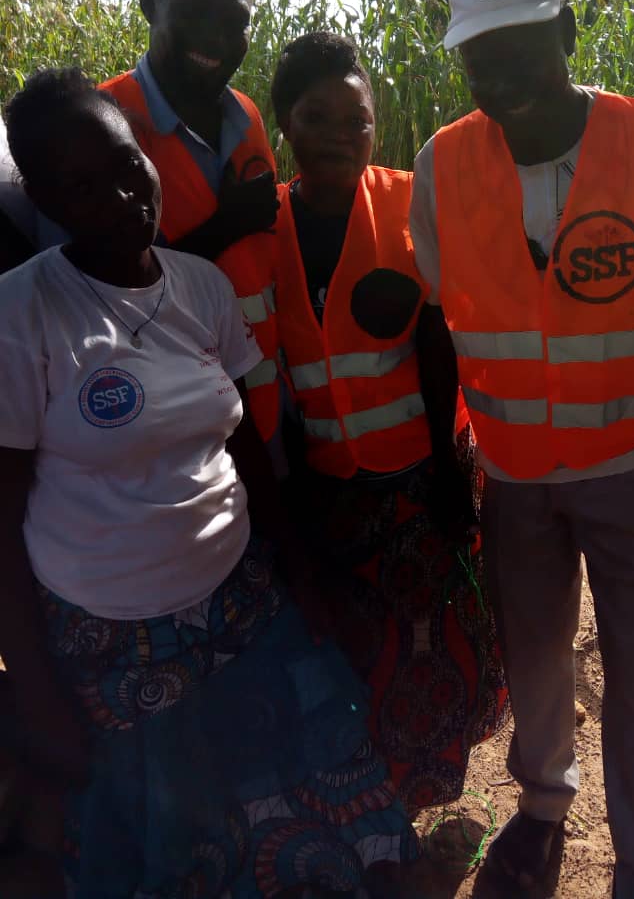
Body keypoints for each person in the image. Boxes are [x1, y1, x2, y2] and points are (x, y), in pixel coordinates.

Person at [0, 67, 418, 898]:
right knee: (172, 843)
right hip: (115, 637)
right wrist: (34, 680)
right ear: (45, 198)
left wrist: (299, 571)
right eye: (81, 187)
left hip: (240, 603)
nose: (122, 199)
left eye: (127, 166)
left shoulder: (201, 286)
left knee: (318, 804)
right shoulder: (22, 313)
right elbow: (1, 514)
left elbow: (250, 450)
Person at [409, 0, 634, 898]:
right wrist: (447, 458)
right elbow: (438, 327)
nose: (501, 76)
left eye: (521, 46)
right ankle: (543, 806)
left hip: (633, 468)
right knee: (535, 656)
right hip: (513, 474)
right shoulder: (445, 161)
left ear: (566, 30)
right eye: (480, 59)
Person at [268, 32, 509, 816]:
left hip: (422, 475)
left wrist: (448, 469)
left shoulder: (411, 202)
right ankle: (367, 811)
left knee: (435, 642)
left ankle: (421, 805)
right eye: (318, 116)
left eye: (358, 120)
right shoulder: (261, 231)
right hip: (327, 488)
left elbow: (442, 338)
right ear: (285, 126)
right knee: (355, 654)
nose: (342, 133)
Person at [0, 0, 281, 452]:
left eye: (236, 21)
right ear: (151, 5)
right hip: (160, 438)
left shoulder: (244, 114)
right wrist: (225, 226)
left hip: (263, 413)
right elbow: (79, 298)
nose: (217, 37)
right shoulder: (97, 131)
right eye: (196, 11)